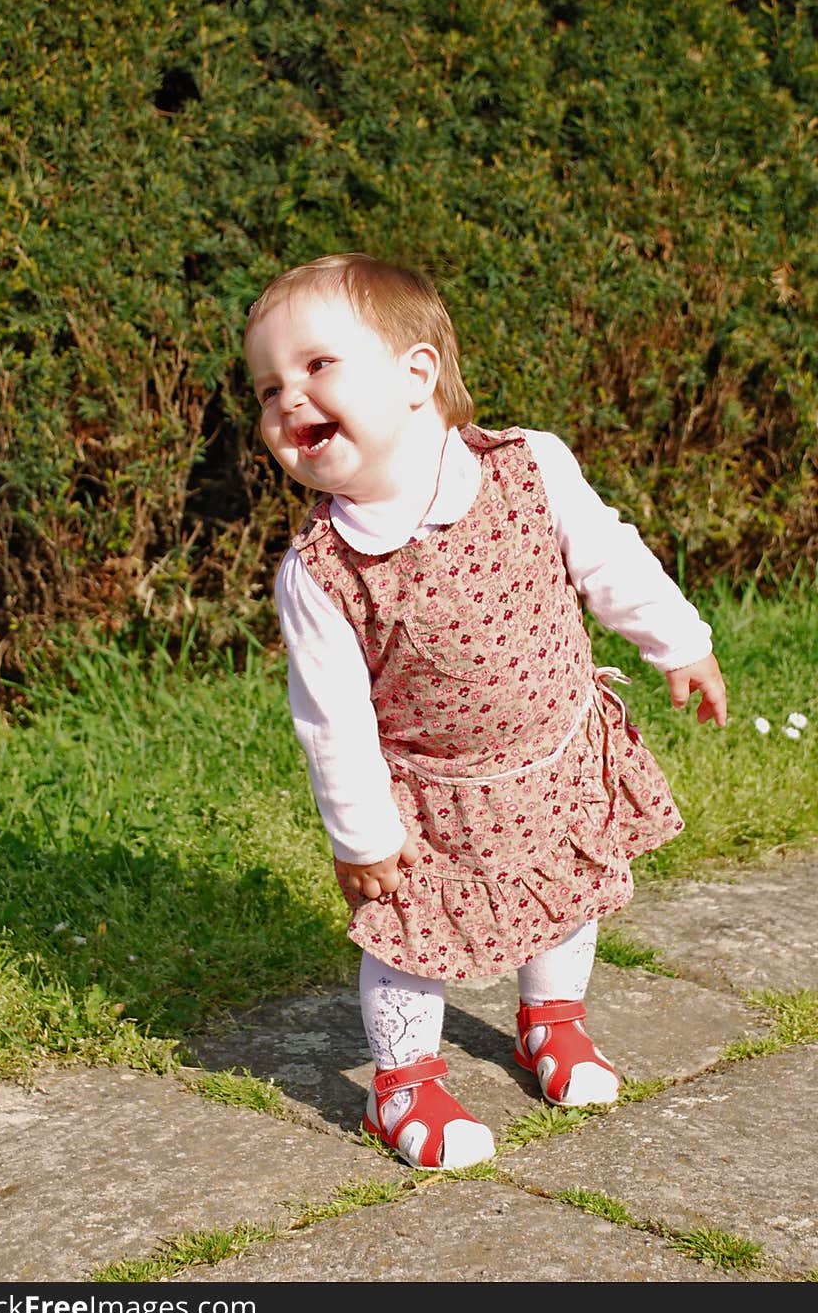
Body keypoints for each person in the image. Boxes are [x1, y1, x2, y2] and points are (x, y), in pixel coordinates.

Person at [244, 252, 727, 1172]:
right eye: (268, 387)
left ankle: (553, 1022)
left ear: (416, 375)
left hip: (555, 754)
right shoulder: (322, 572)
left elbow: (608, 560)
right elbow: (331, 719)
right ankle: (405, 1084)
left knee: (568, 893)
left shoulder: (529, 466)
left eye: (315, 366)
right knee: (413, 936)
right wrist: (361, 836)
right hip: (432, 803)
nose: (285, 400)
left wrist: (678, 639)